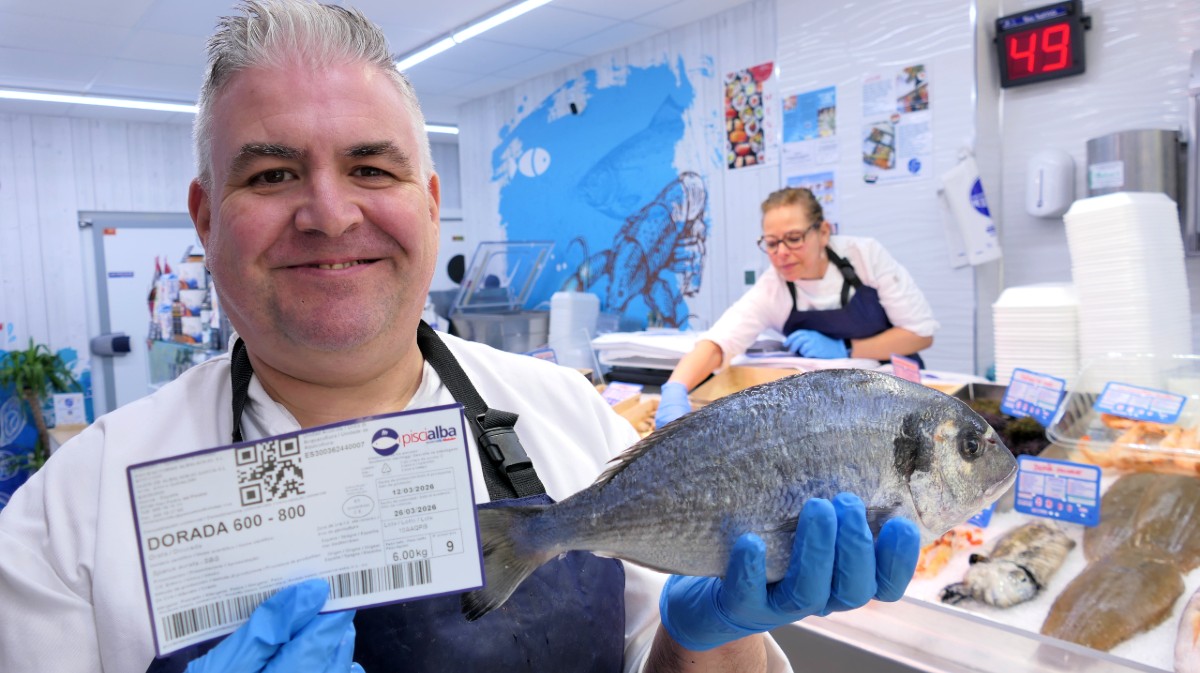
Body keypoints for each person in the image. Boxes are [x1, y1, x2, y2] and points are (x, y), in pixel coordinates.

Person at [0, 3, 920, 672]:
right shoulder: (67, 519)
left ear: (431, 203)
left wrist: (706, 638)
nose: (329, 213)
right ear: (206, 218)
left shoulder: (576, 425)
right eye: (273, 174)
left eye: (372, 167)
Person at [656, 187, 939, 428]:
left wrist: (846, 348)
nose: (781, 253)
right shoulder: (773, 288)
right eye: (771, 243)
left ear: (823, 232)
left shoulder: (865, 256)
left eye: (793, 239)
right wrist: (675, 388)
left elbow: (920, 334)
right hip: (825, 409)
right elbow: (719, 342)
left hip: (897, 393)